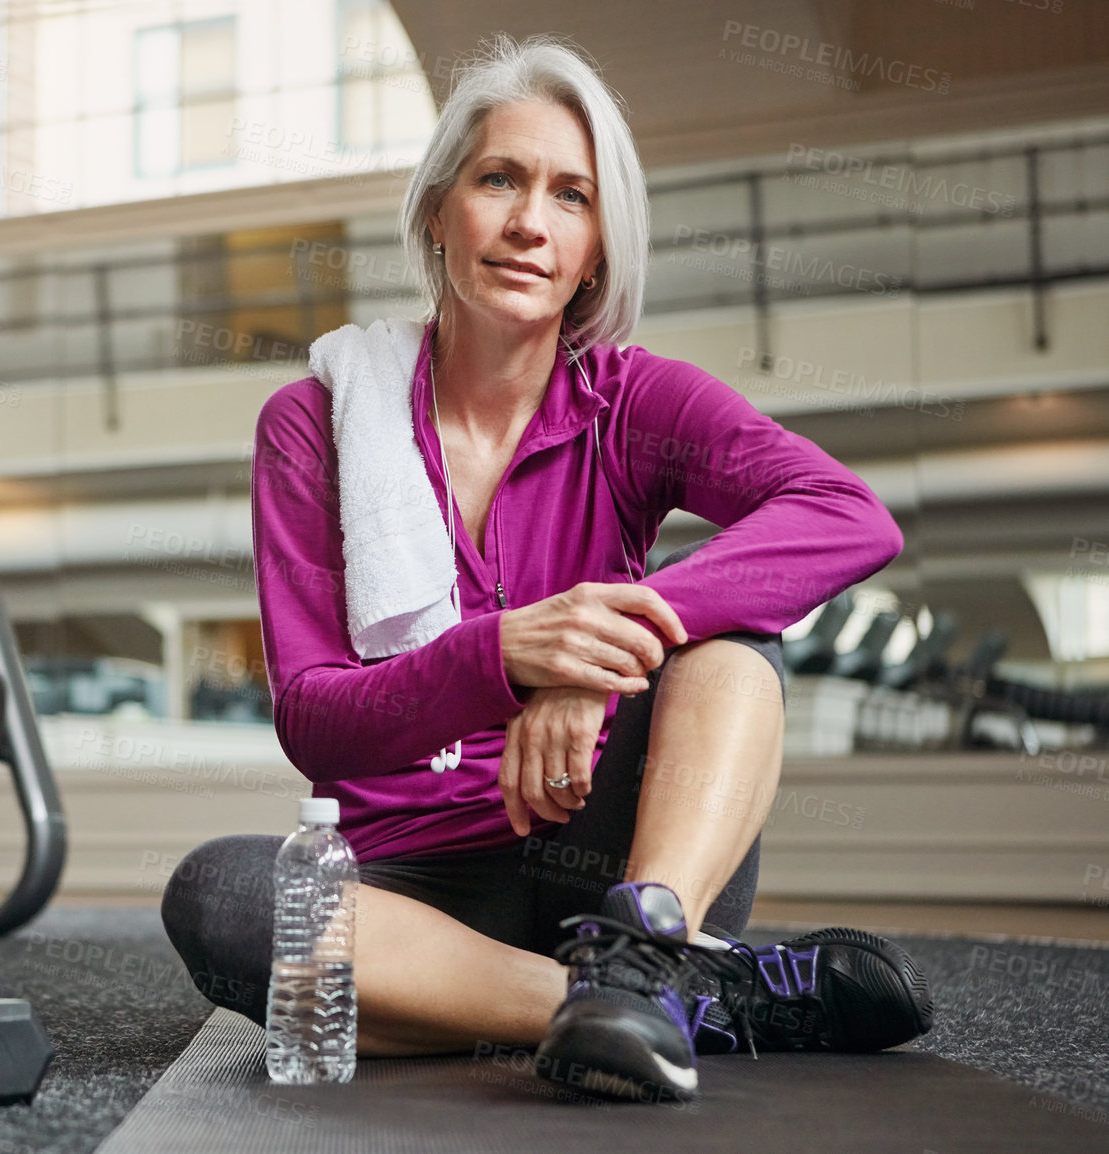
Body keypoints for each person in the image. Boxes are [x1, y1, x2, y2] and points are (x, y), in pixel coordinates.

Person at [160, 33, 932, 1102]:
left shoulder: (633, 401)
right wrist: (505, 652)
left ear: (597, 249)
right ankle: (672, 1001)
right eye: (499, 179)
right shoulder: (313, 423)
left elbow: (846, 516)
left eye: (571, 196)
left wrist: (596, 650)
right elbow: (315, 719)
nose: (531, 221)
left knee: (731, 640)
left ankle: (642, 955)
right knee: (223, 902)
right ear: (439, 211)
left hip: (617, 857)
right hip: (412, 885)